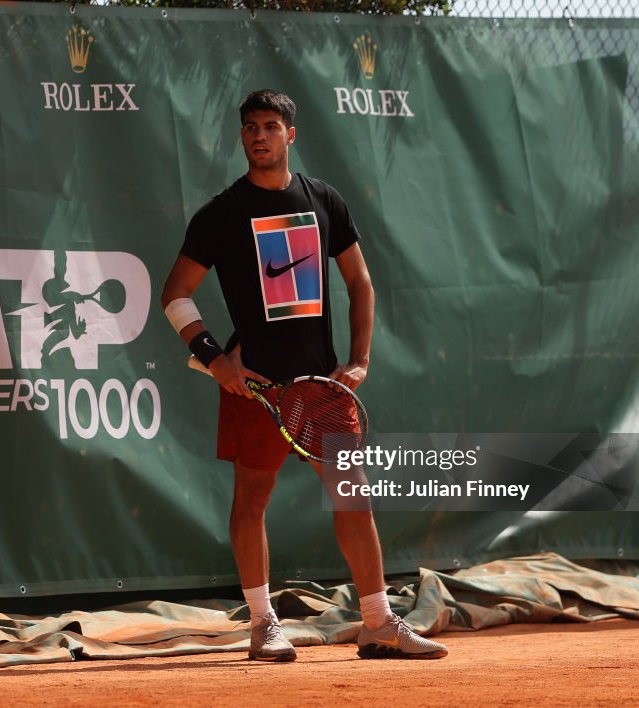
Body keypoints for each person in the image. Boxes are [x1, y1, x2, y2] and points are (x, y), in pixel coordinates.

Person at [160, 89, 448, 662]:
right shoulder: (221, 213)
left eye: (270, 126)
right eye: (249, 127)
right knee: (252, 499)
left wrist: (360, 359)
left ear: (291, 134)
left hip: (321, 386)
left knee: (353, 498)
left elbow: (361, 283)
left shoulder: (325, 200)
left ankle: (377, 623)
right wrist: (216, 358)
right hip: (255, 385)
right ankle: (264, 625)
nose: (258, 135)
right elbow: (176, 296)